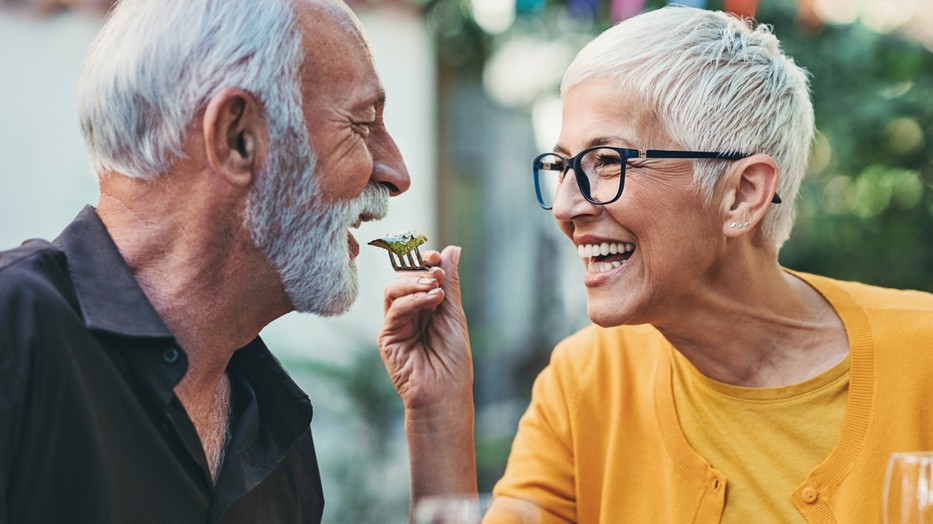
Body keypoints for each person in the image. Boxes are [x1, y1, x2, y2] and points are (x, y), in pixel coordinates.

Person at [378, 5, 933, 523]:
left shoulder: (922, 360)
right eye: (563, 166)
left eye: (606, 161)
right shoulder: (586, 384)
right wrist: (437, 412)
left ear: (741, 195)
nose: (568, 208)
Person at [0, 0, 410, 522]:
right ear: (237, 137)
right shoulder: (14, 331)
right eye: (362, 123)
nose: (396, 170)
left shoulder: (275, 429)